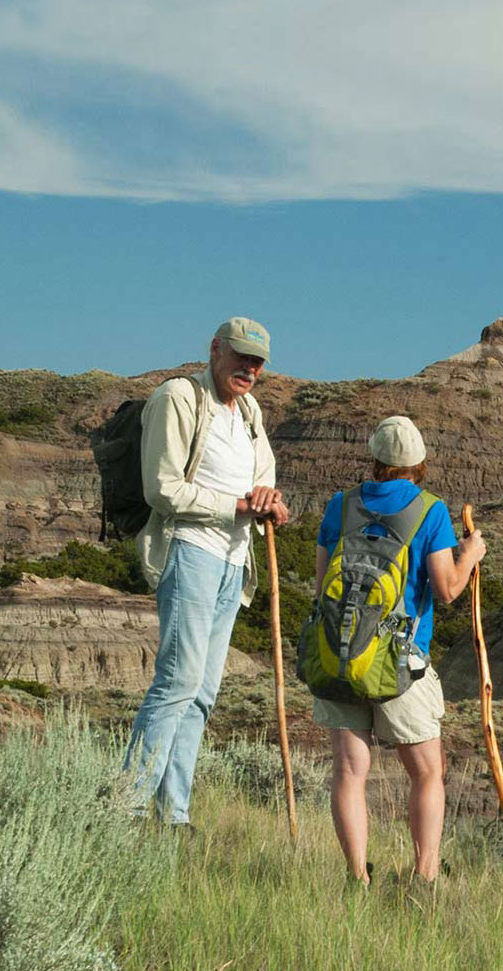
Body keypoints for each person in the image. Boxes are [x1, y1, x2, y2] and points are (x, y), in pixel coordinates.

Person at [124, 316, 289, 829]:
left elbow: (262, 481)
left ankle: (173, 815)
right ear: (215, 349)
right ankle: (124, 808)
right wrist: (238, 505)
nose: (249, 368)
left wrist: (268, 501)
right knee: (177, 682)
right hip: (190, 549)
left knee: (202, 694)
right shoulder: (179, 397)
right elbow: (162, 489)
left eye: (257, 362)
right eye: (240, 356)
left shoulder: (250, 413)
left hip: (236, 561)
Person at [313, 415, 485, 883]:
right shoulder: (430, 510)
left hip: (342, 653)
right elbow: (447, 590)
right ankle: (425, 876)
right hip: (399, 663)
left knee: (350, 769)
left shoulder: (339, 506)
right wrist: (470, 553)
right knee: (427, 772)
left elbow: (321, 584)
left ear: (376, 459)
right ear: (419, 463)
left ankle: (357, 877)